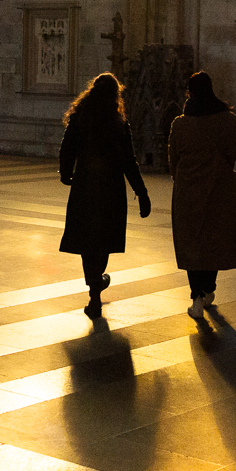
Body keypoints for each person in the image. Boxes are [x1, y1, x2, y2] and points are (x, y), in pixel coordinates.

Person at [59, 73, 150, 317]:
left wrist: (66, 172)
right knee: (103, 240)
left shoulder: (80, 117)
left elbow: (67, 147)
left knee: (87, 241)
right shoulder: (118, 123)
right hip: (111, 189)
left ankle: (94, 290)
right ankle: (96, 285)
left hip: (85, 186)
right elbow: (129, 161)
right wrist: (141, 192)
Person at [167, 72, 236, 319]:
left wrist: (182, 176)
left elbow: (173, 159)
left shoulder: (180, 124)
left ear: (190, 92)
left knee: (191, 241)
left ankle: (196, 297)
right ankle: (208, 288)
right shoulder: (228, 120)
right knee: (215, 238)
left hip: (188, 191)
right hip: (218, 189)